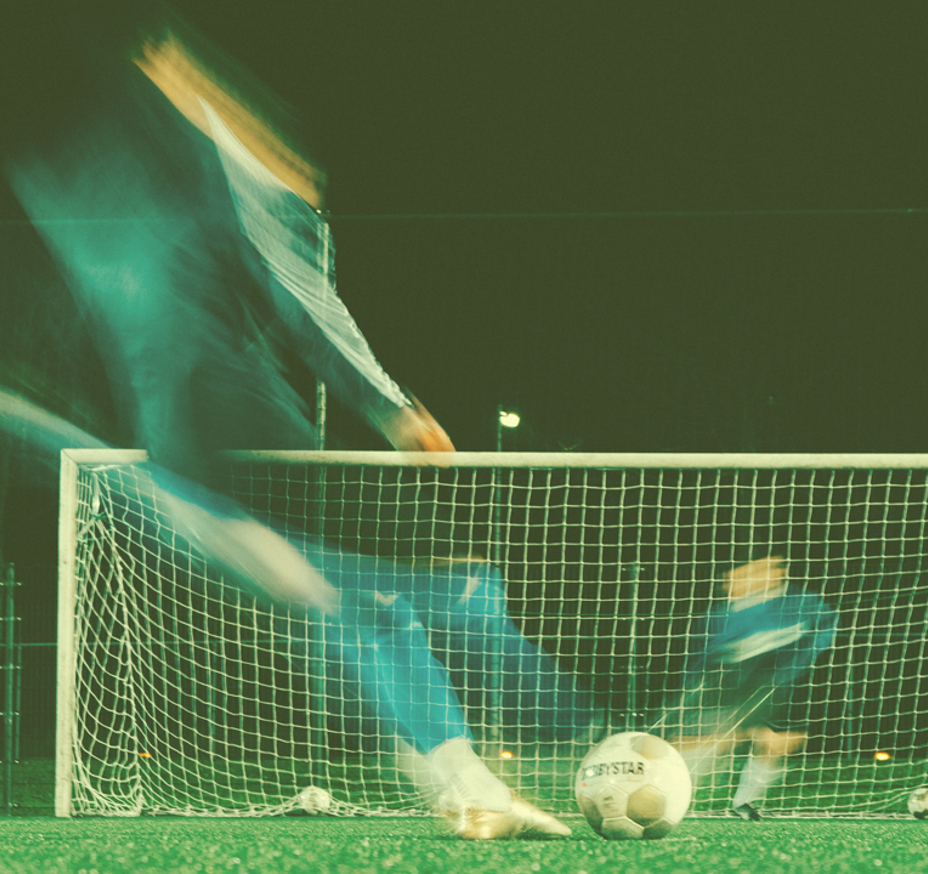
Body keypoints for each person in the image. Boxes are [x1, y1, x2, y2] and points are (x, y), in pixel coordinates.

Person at [3, 11, 573, 839]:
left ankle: (460, 773)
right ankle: (493, 736)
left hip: (190, 474)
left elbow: (123, 257)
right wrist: (393, 408)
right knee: (410, 600)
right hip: (223, 454)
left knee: (363, 608)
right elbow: (303, 297)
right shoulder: (228, 213)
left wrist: (184, 88)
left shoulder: (125, 217)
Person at [662, 555, 837, 820]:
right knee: (705, 741)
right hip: (728, 679)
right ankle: (664, 791)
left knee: (780, 742)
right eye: (732, 578)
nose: (734, 583)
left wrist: (797, 665)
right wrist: (693, 684)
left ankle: (746, 802)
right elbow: (700, 657)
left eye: (756, 571)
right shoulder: (719, 615)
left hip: (778, 680)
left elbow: (825, 629)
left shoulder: (803, 604)